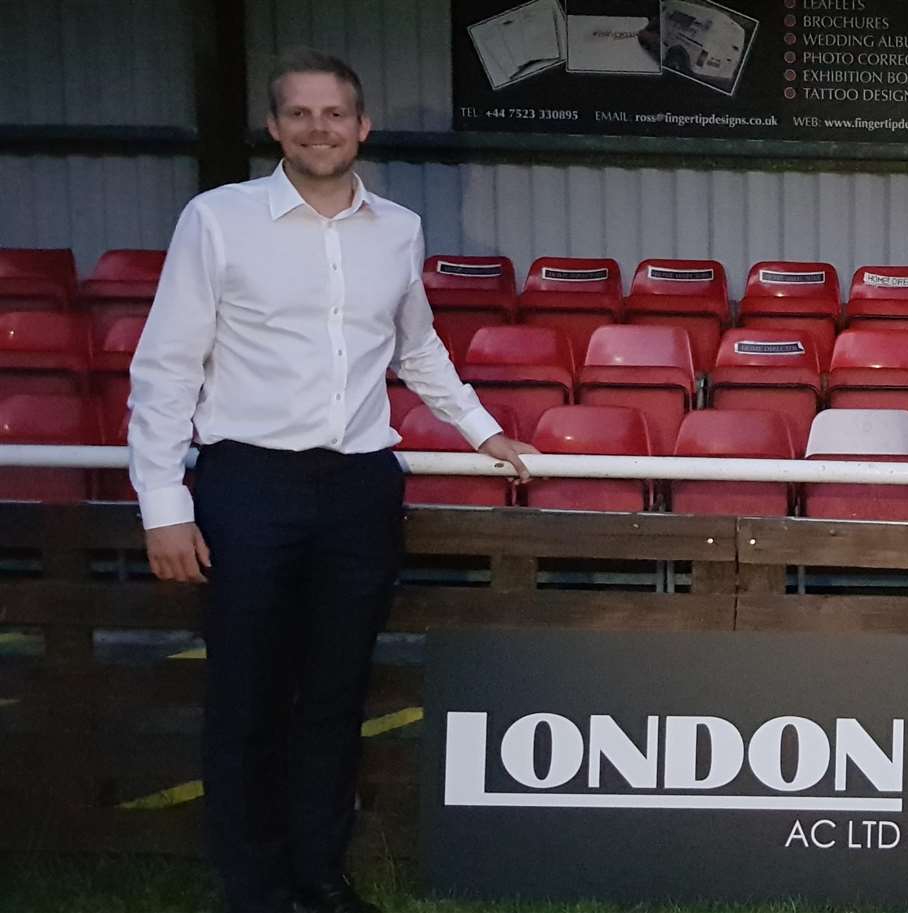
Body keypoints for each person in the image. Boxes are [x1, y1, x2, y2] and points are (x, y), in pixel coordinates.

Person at [129, 49, 538, 913]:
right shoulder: (216, 219)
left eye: (335, 114)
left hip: (358, 488)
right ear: (275, 127)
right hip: (247, 486)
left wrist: (482, 427)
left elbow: (416, 345)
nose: (319, 127)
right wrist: (164, 506)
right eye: (300, 114)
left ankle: (320, 875)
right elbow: (166, 367)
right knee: (244, 692)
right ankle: (252, 885)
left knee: (335, 692)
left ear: (362, 127)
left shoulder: (397, 227)